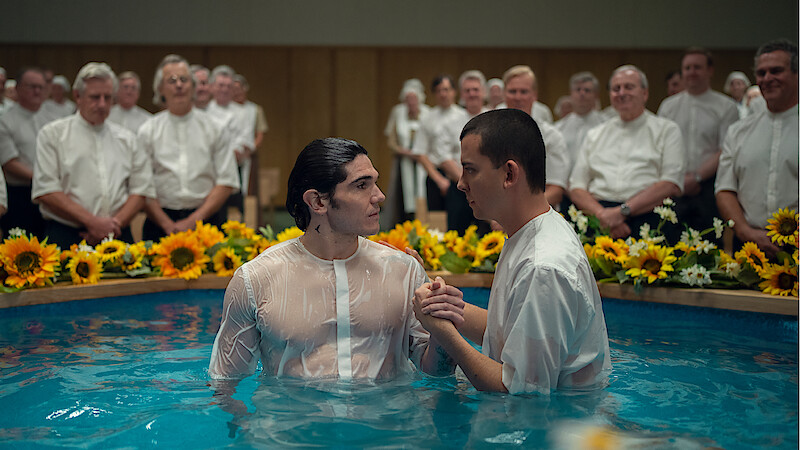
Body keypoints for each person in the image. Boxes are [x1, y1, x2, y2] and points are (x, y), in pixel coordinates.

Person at [209, 137, 456, 380]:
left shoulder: (404, 271)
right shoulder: (255, 280)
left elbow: (438, 373)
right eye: (362, 185)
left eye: (375, 183)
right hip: (291, 419)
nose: (379, 196)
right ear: (317, 201)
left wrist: (441, 327)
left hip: (386, 418)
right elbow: (225, 382)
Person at [412, 108, 611, 394]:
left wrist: (445, 335)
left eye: (470, 170)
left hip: (557, 429)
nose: (460, 183)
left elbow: (522, 392)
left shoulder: (543, 266)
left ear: (509, 173)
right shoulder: (530, 230)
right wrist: (449, 309)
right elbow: (507, 333)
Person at [32, 63, 155, 248]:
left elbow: (141, 189)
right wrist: (92, 222)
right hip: (68, 234)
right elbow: (46, 190)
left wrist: (113, 225)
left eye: (108, 97)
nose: (102, 104)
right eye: (95, 97)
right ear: (77, 96)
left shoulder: (127, 139)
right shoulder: (52, 134)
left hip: (118, 233)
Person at [570, 65, 685, 240]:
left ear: (645, 93)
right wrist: (604, 216)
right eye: (616, 88)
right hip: (599, 217)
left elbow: (670, 183)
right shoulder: (595, 134)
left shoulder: (667, 130)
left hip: (648, 216)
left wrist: (622, 212)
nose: (622, 93)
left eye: (629, 87)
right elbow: (577, 187)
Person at [137, 54, 240, 241]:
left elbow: (226, 181)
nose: (178, 85)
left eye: (184, 79)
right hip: (160, 223)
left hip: (207, 220)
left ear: (193, 86)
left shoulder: (215, 128)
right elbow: (142, 186)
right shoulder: (147, 131)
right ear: (160, 89)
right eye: (172, 80)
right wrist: (167, 224)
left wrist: (193, 220)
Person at [716, 39, 799, 258]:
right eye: (761, 73)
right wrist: (744, 231)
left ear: (796, 73)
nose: (767, 79)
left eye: (776, 71)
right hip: (748, 245)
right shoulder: (738, 131)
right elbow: (725, 189)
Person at [658, 47, 739, 238]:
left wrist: (696, 177)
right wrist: (679, 179)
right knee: (671, 245)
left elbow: (726, 149)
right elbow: (660, 147)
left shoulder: (726, 106)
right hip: (674, 186)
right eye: (687, 68)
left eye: (697, 67)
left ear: (710, 70)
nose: (691, 72)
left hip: (709, 186)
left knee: (709, 244)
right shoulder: (668, 106)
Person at [502, 64, 570, 209]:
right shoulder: (489, 134)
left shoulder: (551, 136)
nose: (518, 97)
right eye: (512, 91)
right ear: (504, 94)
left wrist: (518, 213)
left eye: (524, 91)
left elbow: (556, 190)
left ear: (534, 95)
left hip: (539, 214)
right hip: (496, 217)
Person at [0, 67, 49, 237]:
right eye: (31, 86)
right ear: (18, 88)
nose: (37, 91)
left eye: (41, 87)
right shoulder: (5, 121)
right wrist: (43, 179)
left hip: (49, 197)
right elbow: (9, 163)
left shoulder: (52, 119)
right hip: (20, 196)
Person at [411, 74, 468, 222]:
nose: (443, 94)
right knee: (437, 223)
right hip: (437, 175)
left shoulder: (464, 116)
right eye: (439, 90)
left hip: (461, 173)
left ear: (454, 91)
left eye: (447, 89)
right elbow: (420, 153)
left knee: (460, 219)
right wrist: (439, 179)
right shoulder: (428, 118)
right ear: (435, 94)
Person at [383, 78, 430, 225]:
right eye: (408, 98)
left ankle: (422, 222)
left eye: (414, 98)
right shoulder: (398, 112)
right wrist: (402, 151)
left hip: (423, 161)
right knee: (404, 195)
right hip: (403, 161)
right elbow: (391, 139)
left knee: (423, 190)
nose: (411, 102)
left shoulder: (428, 112)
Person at [555, 72, 605, 171]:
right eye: (578, 90)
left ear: (596, 95)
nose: (582, 94)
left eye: (587, 90)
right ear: (571, 94)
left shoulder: (605, 126)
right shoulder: (558, 128)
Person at [232, 73, 268, 197]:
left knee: (248, 190)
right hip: (229, 155)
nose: (236, 92)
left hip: (249, 155)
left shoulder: (255, 109)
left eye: (239, 89)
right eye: (233, 89)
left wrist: (250, 149)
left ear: (245, 89)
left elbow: (260, 135)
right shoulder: (226, 110)